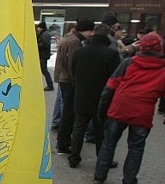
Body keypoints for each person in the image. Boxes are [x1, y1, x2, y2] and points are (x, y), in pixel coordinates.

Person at [93, 33, 165, 184]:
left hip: (119, 108)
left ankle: (99, 176)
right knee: (136, 148)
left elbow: (109, 88)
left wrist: (102, 111)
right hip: (142, 113)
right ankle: (129, 183)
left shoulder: (129, 63)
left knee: (109, 144)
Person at [68, 24, 121, 168]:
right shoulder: (111, 54)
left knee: (79, 128)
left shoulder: (80, 52)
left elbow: (72, 71)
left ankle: (74, 157)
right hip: (102, 98)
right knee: (101, 132)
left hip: (81, 96)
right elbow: (116, 78)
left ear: (93, 35)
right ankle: (102, 159)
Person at [54, 17, 94, 154]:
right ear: (87, 30)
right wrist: (76, 79)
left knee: (67, 112)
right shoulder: (75, 42)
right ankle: (63, 143)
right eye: (91, 31)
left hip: (63, 79)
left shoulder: (68, 38)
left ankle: (62, 141)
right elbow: (72, 63)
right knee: (69, 113)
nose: (92, 34)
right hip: (69, 81)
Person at [36, 20, 54, 91]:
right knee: (43, 70)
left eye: (39, 27)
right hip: (42, 54)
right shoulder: (44, 33)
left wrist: (37, 45)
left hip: (43, 55)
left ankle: (50, 85)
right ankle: (49, 84)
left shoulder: (45, 34)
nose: (38, 29)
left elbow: (43, 44)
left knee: (44, 70)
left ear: (41, 28)